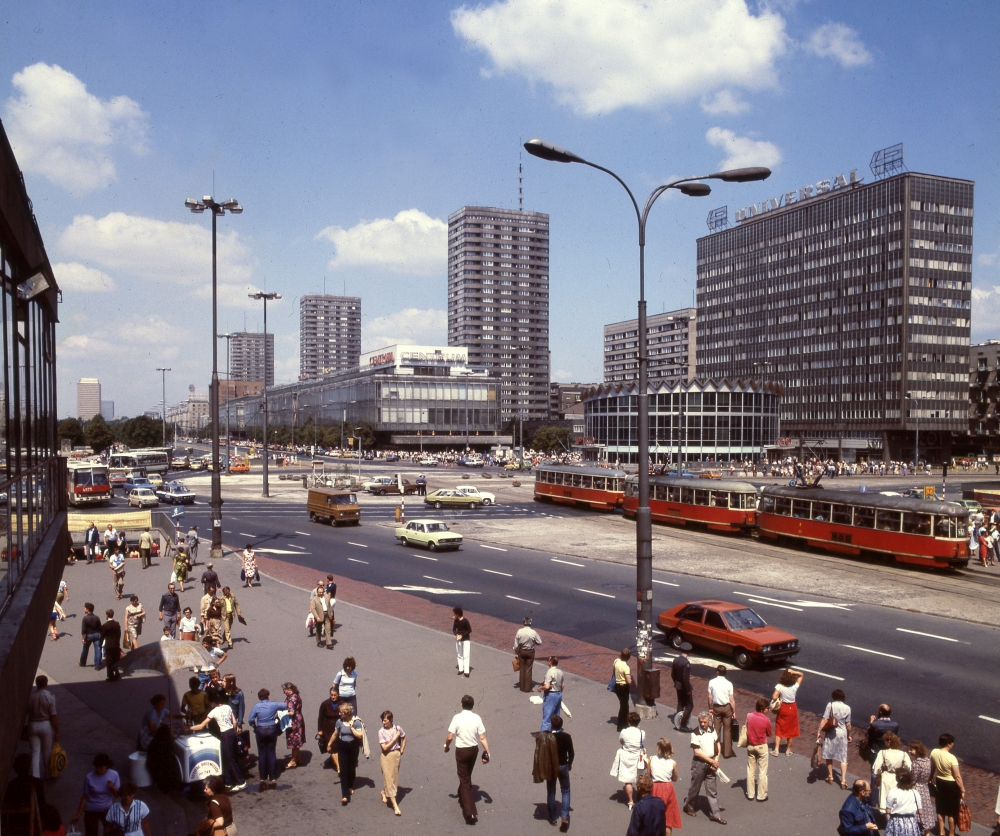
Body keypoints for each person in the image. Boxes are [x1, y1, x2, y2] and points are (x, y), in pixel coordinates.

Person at [444, 694, 491, 826]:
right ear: (473, 705)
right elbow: (482, 737)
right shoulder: (477, 718)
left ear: (461, 705)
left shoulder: (457, 718)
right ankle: (461, 796)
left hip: (461, 751)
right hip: (473, 751)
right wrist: (487, 751)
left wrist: (447, 746)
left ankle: (470, 812)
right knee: (467, 775)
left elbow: (450, 736)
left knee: (465, 780)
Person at [187, 691, 246, 791]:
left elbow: (201, 725)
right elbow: (234, 721)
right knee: (228, 758)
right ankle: (228, 782)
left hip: (226, 735)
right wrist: (234, 731)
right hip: (231, 732)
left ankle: (241, 781)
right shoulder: (227, 707)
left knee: (230, 759)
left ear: (212, 702)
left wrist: (189, 728)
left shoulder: (213, 711)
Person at [683, 711, 726, 824]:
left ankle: (715, 815)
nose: (702, 724)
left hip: (711, 762)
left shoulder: (712, 730)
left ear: (709, 721)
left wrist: (716, 759)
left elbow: (717, 744)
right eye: (701, 722)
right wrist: (712, 761)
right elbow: (697, 752)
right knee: (695, 787)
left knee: (712, 790)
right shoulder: (695, 733)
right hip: (699, 764)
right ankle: (688, 806)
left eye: (705, 722)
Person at [69, 753, 120, 836]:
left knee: (110, 832)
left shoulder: (114, 775)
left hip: (107, 809)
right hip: (91, 810)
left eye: (100, 767)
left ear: (106, 766)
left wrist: (112, 787)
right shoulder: (89, 777)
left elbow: (117, 795)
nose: (98, 769)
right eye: (96, 767)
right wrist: (78, 815)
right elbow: (85, 797)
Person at [248, 689, 288, 791]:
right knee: (271, 752)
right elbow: (284, 705)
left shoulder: (256, 706)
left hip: (260, 730)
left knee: (262, 753)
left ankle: (262, 776)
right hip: (271, 729)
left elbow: (251, 719)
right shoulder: (273, 705)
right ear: (268, 696)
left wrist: (255, 726)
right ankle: (273, 776)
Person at [930, 733, 965, 836]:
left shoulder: (934, 752)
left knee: (940, 809)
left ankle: (941, 832)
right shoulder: (952, 758)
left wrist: (931, 777)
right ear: (949, 744)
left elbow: (933, 767)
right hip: (951, 785)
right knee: (951, 811)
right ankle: (951, 833)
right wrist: (963, 789)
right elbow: (957, 777)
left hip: (940, 781)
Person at [25, 675, 58, 780]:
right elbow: (53, 716)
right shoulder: (50, 696)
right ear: (46, 683)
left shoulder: (30, 696)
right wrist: (56, 731)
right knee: (47, 751)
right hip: (45, 724)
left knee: (35, 752)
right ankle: (49, 774)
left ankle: (35, 776)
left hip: (33, 724)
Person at [818, 688, 853, 789]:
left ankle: (830, 776)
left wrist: (819, 731)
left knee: (829, 755)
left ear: (834, 696)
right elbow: (848, 724)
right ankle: (843, 781)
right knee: (843, 757)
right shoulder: (847, 708)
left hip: (831, 733)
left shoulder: (831, 705)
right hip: (842, 734)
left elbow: (825, 719)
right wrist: (849, 735)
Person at [611, 712, 646, 810]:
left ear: (629, 721)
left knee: (628, 781)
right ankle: (640, 798)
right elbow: (642, 743)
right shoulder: (642, 733)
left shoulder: (624, 731)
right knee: (639, 779)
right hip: (638, 758)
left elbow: (621, 741)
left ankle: (631, 801)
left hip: (626, 757)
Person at [648, 738, 681, 836]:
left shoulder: (651, 759)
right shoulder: (673, 763)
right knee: (668, 819)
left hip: (655, 787)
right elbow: (675, 778)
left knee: (653, 816)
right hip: (668, 788)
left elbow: (648, 775)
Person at [333, 702, 364, 805]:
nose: (339, 714)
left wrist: (351, 728)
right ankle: (345, 795)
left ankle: (350, 785)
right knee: (343, 770)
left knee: (351, 767)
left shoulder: (356, 722)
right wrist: (329, 743)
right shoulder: (339, 722)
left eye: (341, 712)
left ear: (346, 713)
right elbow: (335, 733)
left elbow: (359, 735)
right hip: (342, 746)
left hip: (353, 746)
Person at [873, 733, 912, 814]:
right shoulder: (904, 754)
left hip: (886, 777)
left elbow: (876, 768)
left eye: (885, 741)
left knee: (886, 800)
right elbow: (909, 768)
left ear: (889, 741)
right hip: (899, 778)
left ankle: (888, 820)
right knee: (897, 799)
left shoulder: (883, 752)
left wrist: (878, 773)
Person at [547, 714, 573, 830]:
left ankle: (553, 818)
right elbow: (571, 753)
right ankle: (564, 816)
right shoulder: (566, 737)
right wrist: (569, 763)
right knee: (565, 790)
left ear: (551, 725)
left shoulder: (547, 737)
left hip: (551, 766)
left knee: (551, 792)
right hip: (563, 765)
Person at [378, 710, 406, 816]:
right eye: (382, 721)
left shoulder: (397, 728)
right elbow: (384, 747)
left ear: (391, 720)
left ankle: (384, 792)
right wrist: (395, 738)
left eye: (385, 721)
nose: (383, 723)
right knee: (388, 778)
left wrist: (402, 748)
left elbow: (404, 737)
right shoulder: (381, 732)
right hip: (386, 756)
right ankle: (395, 805)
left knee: (393, 778)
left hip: (396, 755)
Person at [745, 697, 773, 802]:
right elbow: (770, 733)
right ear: (763, 709)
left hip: (751, 745)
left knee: (750, 770)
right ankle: (761, 795)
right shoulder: (766, 720)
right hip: (761, 746)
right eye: (767, 708)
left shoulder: (749, 716)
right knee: (762, 771)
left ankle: (750, 793)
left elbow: (747, 727)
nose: (768, 710)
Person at [771, 668, 803, 756]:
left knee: (779, 726)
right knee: (791, 728)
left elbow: (774, 697)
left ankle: (776, 750)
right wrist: (794, 672)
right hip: (792, 708)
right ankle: (788, 750)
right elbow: (801, 675)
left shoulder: (780, 686)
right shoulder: (795, 685)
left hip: (783, 707)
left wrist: (778, 697)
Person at [907, 740, 936, 835]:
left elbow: (913, 779)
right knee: (926, 810)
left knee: (915, 811)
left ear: (917, 750)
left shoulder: (916, 764)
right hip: (925, 787)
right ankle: (927, 833)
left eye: (911, 750)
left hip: (917, 789)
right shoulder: (927, 760)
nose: (909, 751)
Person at [707, 665, 735, 760]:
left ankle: (715, 750)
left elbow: (710, 697)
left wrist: (710, 708)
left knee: (716, 729)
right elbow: (731, 700)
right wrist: (734, 711)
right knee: (727, 730)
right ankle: (727, 752)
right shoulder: (729, 684)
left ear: (717, 672)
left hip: (717, 708)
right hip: (727, 708)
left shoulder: (712, 682)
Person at [884, 768, 923, 836]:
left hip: (896, 822)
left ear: (897, 779)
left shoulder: (893, 792)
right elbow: (920, 811)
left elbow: (888, 811)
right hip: (911, 822)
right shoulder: (915, 793)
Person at [513, 616, 542, 692]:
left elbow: (516, 645)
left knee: (522, 668)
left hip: (521, 651)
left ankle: (522, 687)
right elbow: (540, 642)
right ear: (530, 623)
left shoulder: (519, 631)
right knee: (528, 669)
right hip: (530, 651)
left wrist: (516, 653)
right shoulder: (533, 632)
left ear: (523, 623)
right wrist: (533, 642)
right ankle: (527, 688)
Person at [672, 642, 694, 732]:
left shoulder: (676, 660)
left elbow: (672, 674)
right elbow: (685, 678)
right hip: (684, 687)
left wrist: (676, 682)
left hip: (678, 685)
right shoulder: (686, 663)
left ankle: (678, 721)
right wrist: (688, 690)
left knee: (680, 703)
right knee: (689, 706)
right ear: (688, 652)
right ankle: (683, 724)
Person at [316, 685, 341, 766]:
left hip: (339, 728)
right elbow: (320, 717)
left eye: (335, 695)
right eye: (331, 695)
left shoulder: (342, 703)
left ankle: (332, 759)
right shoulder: (325, 704)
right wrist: (320, 730)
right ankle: (339, 767)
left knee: (338, 746)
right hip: (327, 728)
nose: (333, 697)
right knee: (332, 747)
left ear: (338, 694)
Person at [282, 682, 305, 769]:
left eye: (285, 690)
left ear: (289, 689)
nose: (284, 692)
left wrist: (281, 713)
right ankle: (298, 758)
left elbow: (291, 712)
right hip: (298, 719)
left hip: (294, 721)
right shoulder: (295, 696)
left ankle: (293, 761)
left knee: (294, 740)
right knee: (296, 739)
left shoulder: (292, 698)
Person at [539, 656, 564, 731]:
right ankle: (556, 733)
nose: (547, 662)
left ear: (550, 662)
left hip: (551, 695)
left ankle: (544, 736)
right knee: (556, 717)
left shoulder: (549, 672)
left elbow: (546, 687)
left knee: (547, 717)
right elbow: (562, 685)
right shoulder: (560, 672)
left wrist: (540, 688)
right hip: (559, 694)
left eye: (548, 660)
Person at [613, 648, 633, 732]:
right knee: (624, 706)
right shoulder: (626, 667)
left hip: (617, 685)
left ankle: (625, 723)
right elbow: (629, 681)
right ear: (628, 657)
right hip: (623, 687)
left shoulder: (616, 661)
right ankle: (621, 726)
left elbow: (613, 672)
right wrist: (631, 679)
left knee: (624, 705)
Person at [310, 580, 333, 649]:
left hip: (327, 615)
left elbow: (329, 606)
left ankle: (329, 643)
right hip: (319, 616)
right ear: (317, 592)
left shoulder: (326, 597)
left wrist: (331, 614)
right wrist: (316, 617)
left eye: (322, 592)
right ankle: (319, 642)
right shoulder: (314, 599)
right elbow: (313, 609)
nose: (321, 593)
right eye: (319, 592)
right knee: (319, 630)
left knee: (328, 629)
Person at [100, 609, 122, 681]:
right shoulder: (117, 624)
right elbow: (119, 634)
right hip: (116, 644)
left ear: (107, 615)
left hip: (109, 645)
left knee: (109, 661)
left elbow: (102, 636)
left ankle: (111, 676)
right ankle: (117, 672)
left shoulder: (105, 625)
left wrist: (100, 645)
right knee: (116, 659)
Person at [80, 602, 103, 668]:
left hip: (89, 635)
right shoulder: (96, 617)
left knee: (85, 649)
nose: (84, 609)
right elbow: (100, 628)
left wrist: (83, 638)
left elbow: (83, 630)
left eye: (84, 608)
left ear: (87, 609)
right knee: (98, 650)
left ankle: (83, 662)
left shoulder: (85, 618)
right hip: (96, 635)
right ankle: (98, 665)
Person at [453, 606, 471, 677]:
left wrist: (463, 635)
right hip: (459, 639)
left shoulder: (465, 621)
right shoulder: (456, 621)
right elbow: (454, 629)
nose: (454, 615)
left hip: (466, 639)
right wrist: (456, 634)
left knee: (466, 655)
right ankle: (461, 669)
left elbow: (469, 630)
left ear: (458, 614)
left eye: (455, 614)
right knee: (459, 654)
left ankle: (466, 671)